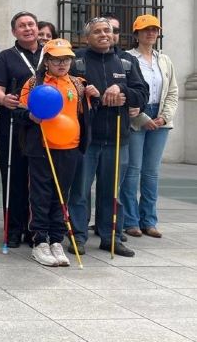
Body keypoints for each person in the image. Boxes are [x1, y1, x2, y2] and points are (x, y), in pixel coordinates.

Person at [68, 17, 148, 257]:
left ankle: (110, 236)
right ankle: (78, 237)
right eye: (97, 31)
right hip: (86, 140)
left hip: (118, 139)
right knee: (80, 191)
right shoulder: (77, 61)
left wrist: (121, 90)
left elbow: (142, 94)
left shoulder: (126, 61)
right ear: (87, 37)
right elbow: (66, 93)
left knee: (112, 192)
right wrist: (85, 94)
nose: (104, 34)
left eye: (108, 30)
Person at [14, 39, 96, 267]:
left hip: (70, 148)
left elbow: (86, 114)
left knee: (62, 195)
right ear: (47, 61)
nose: (62, 64)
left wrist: (95, 96)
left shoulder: (78, 84)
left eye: (67, 59)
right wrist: (30, 116)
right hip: (41, 148)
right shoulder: (34, 83)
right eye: (57, 59)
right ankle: (40, 241)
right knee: (40, 194)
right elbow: (18, 113)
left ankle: (56, 239)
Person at [122, 15, 178, 239]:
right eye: (145, 30)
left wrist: (164, 117)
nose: (150, 33)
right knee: (132, 171)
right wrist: (143, 118)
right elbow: (127, 91)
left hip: (161, 118)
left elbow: (173, 93)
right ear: (136, 34)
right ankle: (131, 221)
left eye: (154, 30)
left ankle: (149, 220)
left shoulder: (164, 60)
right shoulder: (128, 58)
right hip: (138, 116)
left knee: (151, 173)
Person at [0, 11, 41, 248]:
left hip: (42, 125)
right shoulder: (6, 57)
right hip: (12, 123)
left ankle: (34, 229)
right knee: (14, 177)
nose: (28, 28)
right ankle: (13, 229)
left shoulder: (49, 53)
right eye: (22, 26)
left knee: (37, 178)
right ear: (14, 32)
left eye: (31, 24)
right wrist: (3, 99)